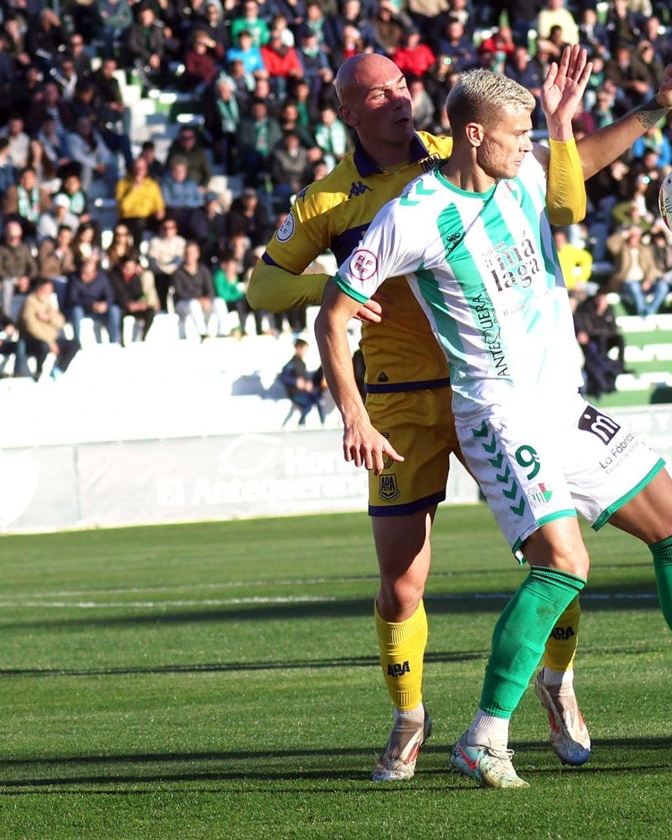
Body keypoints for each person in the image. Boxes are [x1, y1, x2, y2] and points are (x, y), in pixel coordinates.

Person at [315, 55, 672, 791]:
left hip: (563, 405)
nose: (533, 147)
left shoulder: (519, 172)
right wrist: (355, 416)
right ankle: (484, 736)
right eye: (520, 134)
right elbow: (333, 316)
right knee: (565, 565)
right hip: (498, 412)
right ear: (475, 134)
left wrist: (653, 109)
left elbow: (584, 154)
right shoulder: (414, 216)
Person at [247, 49, 613, 782]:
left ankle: (558, 679)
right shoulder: (327, 202)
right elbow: (263, 284)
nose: (394, 99)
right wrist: (333, 290)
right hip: (401, 403)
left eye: (401, 85)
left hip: (497, 390)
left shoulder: (462, 149)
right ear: (346, 113)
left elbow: (562, 184)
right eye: (374, 94)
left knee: (559, 556)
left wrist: (610, 119)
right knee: (401, 584)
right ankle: (410, 715)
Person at [20, 276, 79, 381]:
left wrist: (48, 319)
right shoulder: (30, 301)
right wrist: (49, 342)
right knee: (43, 347)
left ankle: (58, 369)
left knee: (75, 344)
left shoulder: (48, 302)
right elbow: (30, 326)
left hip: (52, 338)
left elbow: (60, 321)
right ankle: (38, 372)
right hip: (36, 339)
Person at [67, 258, 121, 345]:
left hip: (100, 309)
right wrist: (91, 304)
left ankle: (114, 341)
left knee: (115, 310)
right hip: (83, 309)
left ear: (95, 273)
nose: (83, 276)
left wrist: (105, 304)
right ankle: (76, 343)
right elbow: (73, 298)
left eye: (87, 274)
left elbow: (110, 295)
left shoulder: (102, 278)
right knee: (76, 311)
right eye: (83, 272)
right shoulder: (74, 279)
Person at [279, 337, 327, 425]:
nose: (305, 352)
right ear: (298, 348)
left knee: (318, 400)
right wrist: (295, 381)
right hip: (295, 393)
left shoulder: (302, 363)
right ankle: (300, 426)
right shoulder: (291, 364)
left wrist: (308, 383)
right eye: (304, 349)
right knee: (307, 406)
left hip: (303, 392)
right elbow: (282, 377)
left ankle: (323, 424)